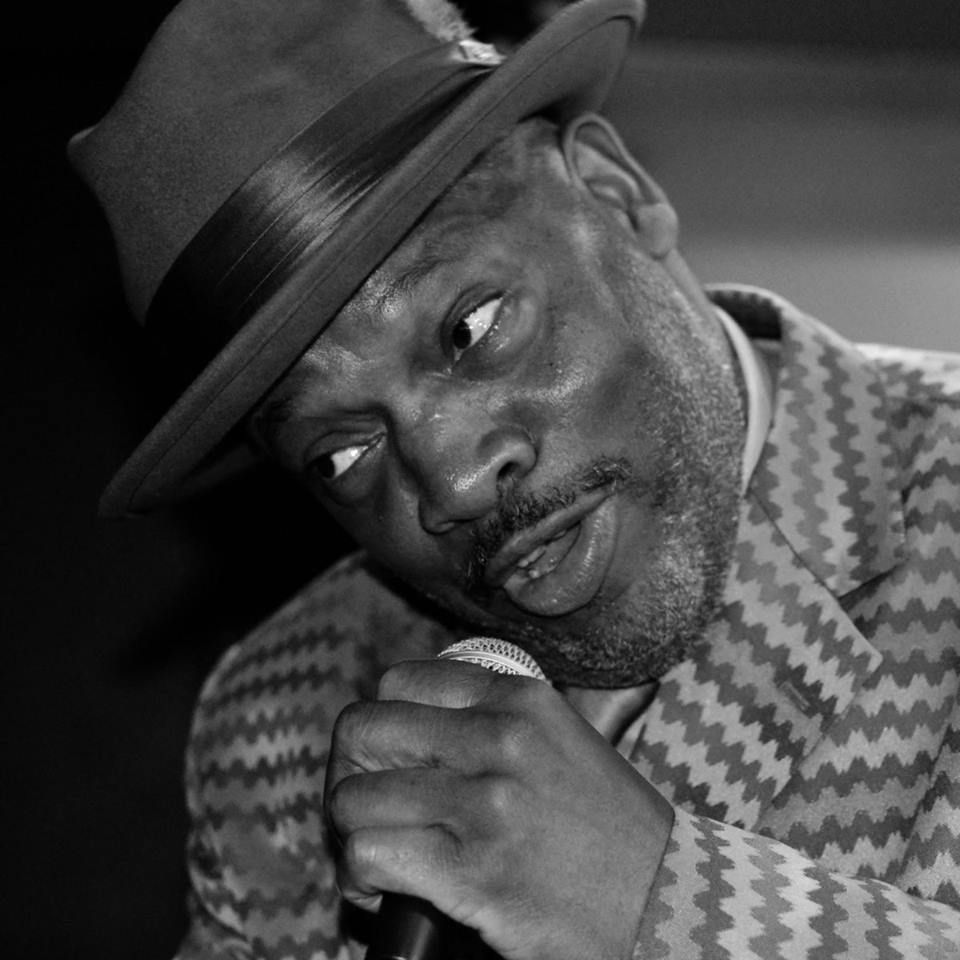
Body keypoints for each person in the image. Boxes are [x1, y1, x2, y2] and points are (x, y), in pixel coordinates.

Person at [70, 0, 960, 957]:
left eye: (472, 329)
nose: (451, 482)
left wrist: (652, 899)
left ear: (616, 193)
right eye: (342, 454)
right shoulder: (282, 715)